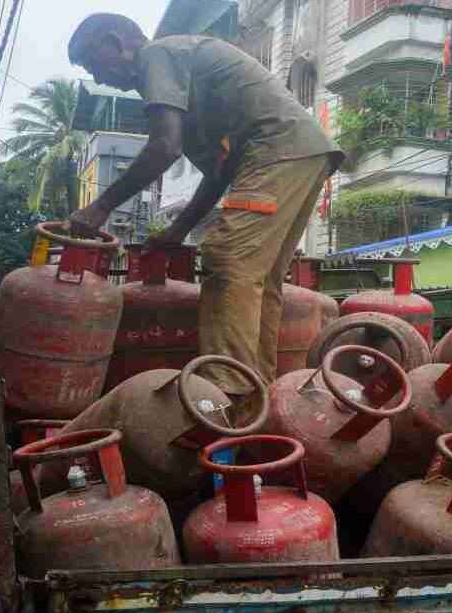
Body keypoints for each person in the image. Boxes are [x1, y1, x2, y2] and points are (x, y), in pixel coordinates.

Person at [64, 13, 343, 415]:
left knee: (228, 261)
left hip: (277, 147)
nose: (101, 77)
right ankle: (256, 397)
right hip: (303, 151)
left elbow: (164, 147)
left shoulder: (156, 57)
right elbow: (217, 173)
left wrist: (100, 206)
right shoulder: (182, 81)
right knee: (258, 279)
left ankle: (225, 393)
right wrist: (176, 230)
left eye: (95, 62)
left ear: (115, 41)